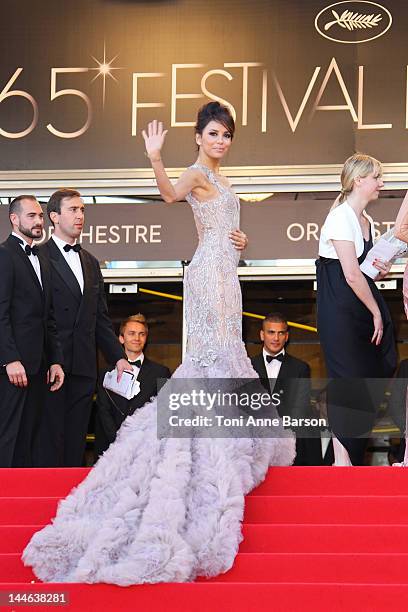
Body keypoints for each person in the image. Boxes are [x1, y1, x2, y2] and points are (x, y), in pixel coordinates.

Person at [23, 101, 295, 584]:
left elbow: (219, 225)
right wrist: (154, 156)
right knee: (211, 356)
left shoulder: (225, 179)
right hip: (208, 276)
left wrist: (240, 241)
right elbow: (170, 195)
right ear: (198, 137)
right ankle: (204, 449)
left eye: (227, 135)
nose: (220, 142)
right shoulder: (193, 172)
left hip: (227, 273)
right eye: (213, 134)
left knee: (228, 351)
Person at [35, 189, 130, 467]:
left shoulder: (90, 261)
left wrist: (118, 357)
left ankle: (71, 503)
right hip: (52, 365)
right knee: (50, 437)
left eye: (82, 210)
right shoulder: (39, 257)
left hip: (85, 366)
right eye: (73, 210)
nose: (80, 216)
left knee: (77, 439)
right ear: (54, 216)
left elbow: (100, 317)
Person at [316, 153, 397, 466]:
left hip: (358, 302)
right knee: (347, 379)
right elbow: (349, 273)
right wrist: (376, 310)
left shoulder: (368, 221)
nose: (381, 183)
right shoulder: (340, 216)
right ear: (359, 180)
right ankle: (341, 458)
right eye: (376, 177)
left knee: (372, 371)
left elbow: (363, 272)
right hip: (339, 307)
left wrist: (381, 266)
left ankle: (349, 451)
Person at [0, 196, 64, 467]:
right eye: (31, 216)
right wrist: (9, 358)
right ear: (14, 219)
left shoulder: (43, 258)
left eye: (40, 216)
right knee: (9, 435)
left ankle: (22, 498)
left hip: (38, 366)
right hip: (14, 366)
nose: (39, 221)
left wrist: (55, 359)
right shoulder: (4, 254)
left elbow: (48, 318)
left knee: (30, 435)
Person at [251, 312, 323, 465]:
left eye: (280, 333)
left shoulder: (301, 368)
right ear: (262, 335)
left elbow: (300, 407)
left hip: (289, 443)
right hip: (254, 446)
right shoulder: (247, 366)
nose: (276, 338)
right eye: (271, 332)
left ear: (286, 336)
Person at [95, 313, 171, 457]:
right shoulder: (106, 372)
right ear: (121, 338)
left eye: (141, 334)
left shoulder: (161, 372)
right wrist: (118, 440)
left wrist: (140, 441)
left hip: (146, 450)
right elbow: (103, 410)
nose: (137, 338)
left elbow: (163, 414)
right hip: (110, 450)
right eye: (132, 333)